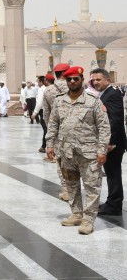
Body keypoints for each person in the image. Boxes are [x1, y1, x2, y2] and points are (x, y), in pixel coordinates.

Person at [46, 66, 110, 235]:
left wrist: (102, 150)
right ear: (65, 81)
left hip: (88, 153)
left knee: (92, 187)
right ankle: (76, 214)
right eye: (69, 79)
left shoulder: (93, 100)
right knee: (71, 185)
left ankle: (88, 219)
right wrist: (50, 144)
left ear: (82, 80)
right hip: (67, 152)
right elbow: (53, 124)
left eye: (76, 78)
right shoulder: (60, 101)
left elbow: (104, 127)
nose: (72, 82)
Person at [90, 68, 126, 216]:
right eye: (94, 80)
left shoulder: (112, 95)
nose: (96, 82)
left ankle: (115, 205)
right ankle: (112, 202)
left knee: (113, 173)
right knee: (111, 173)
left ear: (107, 80)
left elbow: (115, 120)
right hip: (110, 142)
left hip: (113, 144)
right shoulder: (106, 94)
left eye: (99, 79)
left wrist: (108, 143)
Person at [43, 63, 71, 198]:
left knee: (61, 161)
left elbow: (47, 115)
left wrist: (51, 134)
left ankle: (66, 190)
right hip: (79, 132)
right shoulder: (76, 86)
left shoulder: (48, 91)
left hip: (59, 132)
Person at [32, 75, 48, 152]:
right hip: (48, 111)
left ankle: (44, 146)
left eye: (38, 81)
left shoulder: (41, 89)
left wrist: (35, 113)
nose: (37, 83)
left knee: (46, 129)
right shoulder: (48, 88)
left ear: (41, 82)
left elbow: (39, 102)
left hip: (43, 111)